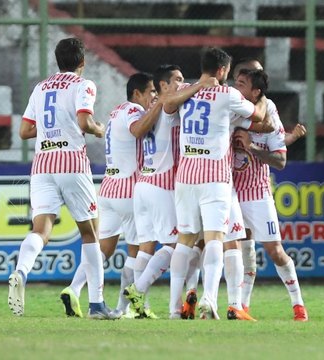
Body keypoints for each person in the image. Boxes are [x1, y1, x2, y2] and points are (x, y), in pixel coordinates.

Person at [8, 38, 118, 319]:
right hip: (70, 161)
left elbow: (24, 131)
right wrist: (97, 129)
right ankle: (96, 304)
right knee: (90, 232)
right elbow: (83, 122)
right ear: (82, 62)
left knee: (41, 228)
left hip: (43, 163)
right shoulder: (83, 85)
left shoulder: (41, 87)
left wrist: (51, 128)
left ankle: (21, 270)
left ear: (58, 61)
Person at [164, 47, 267, 320]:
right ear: (222, 71)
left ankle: (174, 308)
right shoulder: (228, 94)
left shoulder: (186, 90)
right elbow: (256, 115)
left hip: (186, 176)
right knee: (215, 239)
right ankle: (210, 300)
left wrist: (198, 86)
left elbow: (168, 105)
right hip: (215, 178)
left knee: (184, 241)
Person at [123, 65, 218, 319]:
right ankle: (138, 289)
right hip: (162, 185)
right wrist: (202, 85)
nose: (181, 83)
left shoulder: (150, 109)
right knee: (178, 245)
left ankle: (136, 308)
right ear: (163, 85)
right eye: (177, 80)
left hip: (143, 184)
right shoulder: (167, 105)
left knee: (146, 248)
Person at [59, 72, 153, 319]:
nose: (153, 97)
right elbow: (137, 131)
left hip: (109, 189)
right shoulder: (135, 111)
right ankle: (124, 308)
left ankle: (74, 288)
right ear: (137, 93)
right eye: (151, 92)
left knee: (102, 249)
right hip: (129, 189)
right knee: (137, 250)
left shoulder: (115, 111)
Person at [233, 69, 308, 321]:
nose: (236, 87)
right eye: (235, 81)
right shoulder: (230, 107)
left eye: (241, 84)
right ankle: (240, 307)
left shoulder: (270, 118)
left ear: (256, 92)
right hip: (229, 193)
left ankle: (298, 305)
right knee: (240, 254)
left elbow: (280, 161)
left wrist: (251, 147)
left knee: (275, 250)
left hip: (257, 193)